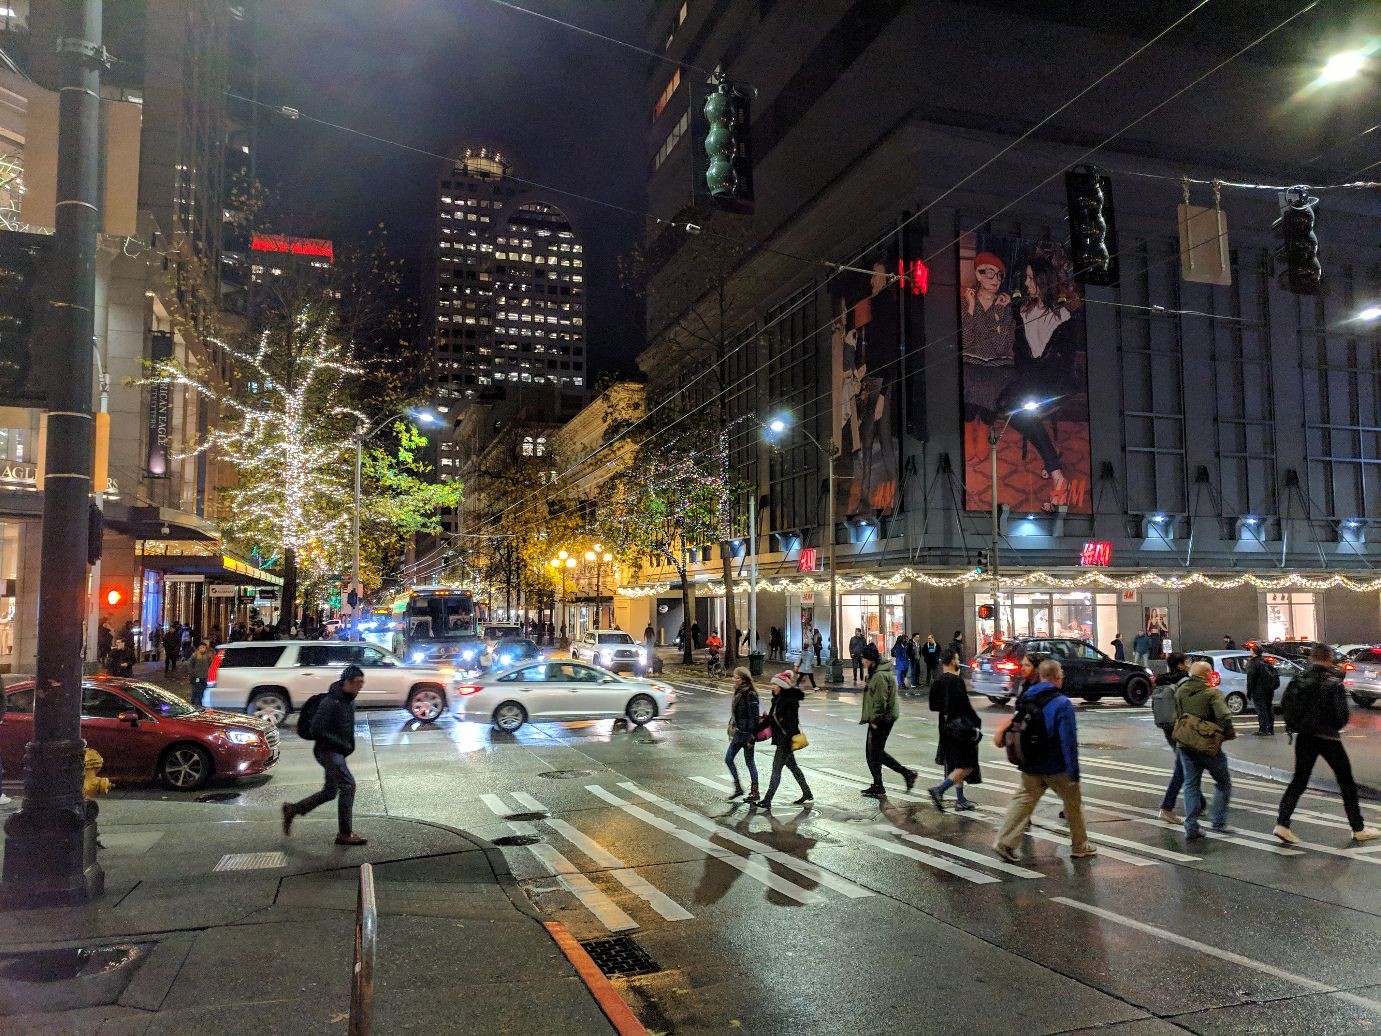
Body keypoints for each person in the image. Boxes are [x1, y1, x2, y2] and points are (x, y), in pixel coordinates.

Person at [992, 659, 1097, 862]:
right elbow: (1068, 740)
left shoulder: (1027, 696)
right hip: (1055, 764)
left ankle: (1004, 842)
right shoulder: (1062, 702)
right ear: (1057, 677)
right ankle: (1080, 845)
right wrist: (1074, 772)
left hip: (1030, 760)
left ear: (1041, 676)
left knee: (1023, 799)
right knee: (1073, 802)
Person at [1274, 645, 1380, 844]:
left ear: (1312, 658)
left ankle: (1282, 823)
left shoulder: (1299, 679)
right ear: (1328, 658)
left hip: (1304, 736)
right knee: (1346, 781)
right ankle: (1358, 827)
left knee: (1299, 780)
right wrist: (1333, 725)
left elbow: (1286, 706)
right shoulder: (1332, 682)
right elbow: (1341, 715)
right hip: (1328, 737)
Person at [283, 665, 368, 846]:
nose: (361, 686)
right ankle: (345, 834)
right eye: (358, 683)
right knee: (348, 785)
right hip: (327, 751)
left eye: (362, 683)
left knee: (330, 792)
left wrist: (347, 745)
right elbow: (317, 728)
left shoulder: (349, 700)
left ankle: (293, 809)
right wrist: (341, 744)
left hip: (337, 751)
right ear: (347, 682)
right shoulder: (331, 702)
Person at [1173, 660, 1234, 840]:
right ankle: (1219, 821)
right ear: (1206, 675)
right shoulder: (1211, 693)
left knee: (1191, 784)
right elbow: (1224, 715)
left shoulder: (1181, 691)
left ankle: (1191, 825)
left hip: (1185, 744)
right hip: (1207, 745)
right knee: (1223, 783)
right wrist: (1222, 734)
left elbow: (1178, 714)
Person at [858, 643, 918, 797]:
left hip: (881, 720)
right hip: (880, 719)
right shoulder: (876, 672)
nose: (863, 661)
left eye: (864, 659)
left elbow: (880, 701)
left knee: (874, 754)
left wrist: (875, 720)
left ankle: (905, 775)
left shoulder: (879, 675)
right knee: (874, 753)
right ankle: (882, 783)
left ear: (870, 660)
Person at [927, 650, 982, 810]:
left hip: (945, 728)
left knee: (956, 764)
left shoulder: (937, 681)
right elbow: (964, 705)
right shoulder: (956, 681)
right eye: (957, 659)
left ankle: (960, 799)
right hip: (960, 728)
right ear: (952, 662)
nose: (959, 661)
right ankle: (940, 789)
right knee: (967, 765)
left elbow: (933, 706)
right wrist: (976, 723)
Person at [755, 671, 812, 810]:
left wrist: (787, 739)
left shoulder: (789, 701)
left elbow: (792, 723)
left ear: (781, 685)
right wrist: (756, 730)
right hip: (782, 739)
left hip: (786, 741)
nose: (772, 686)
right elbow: (770, 719)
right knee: (793, 767)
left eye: (775, 684)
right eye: (772, 684)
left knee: (776, 770)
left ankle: (767, 800)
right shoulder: (777, 699)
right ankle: (807, 793)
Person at [1150, 653, 1189, 824]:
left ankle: (1199, 802)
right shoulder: (1183, 681)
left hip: (1167, 726)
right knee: (1183, 765)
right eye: (1186, 662)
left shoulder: (1161, 681)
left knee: (1185, 762)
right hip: (1180, 726)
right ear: (1180, 665)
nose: (1188, 665)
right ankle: (1167, 806)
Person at [725, 668, 761, 803]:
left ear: (743, 679)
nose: (734, 679)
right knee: (728, 759)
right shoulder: (739, 692)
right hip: (739, 733)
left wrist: (752, 736)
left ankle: (755, 792)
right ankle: (738, 788)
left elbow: (754, 717)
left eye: (736, 677)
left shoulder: (750, 694)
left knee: (750, 762)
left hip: (747, 735)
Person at [1245, 643, 1280, 736]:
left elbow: (1251, 679)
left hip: (1258, 691)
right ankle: (1270, 728)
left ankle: (1263, 729)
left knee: (1261, 710)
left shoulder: (1253, 663)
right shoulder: (1265, 661)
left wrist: (1249, 692)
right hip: (1269, 690)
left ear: (1253, 652)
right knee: (1269, 708)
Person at [187, 642, 213, 706]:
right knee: (195, 690)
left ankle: (200, 703)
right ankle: (193, 702)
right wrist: (193, 672)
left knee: (202, 690)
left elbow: (211, 664)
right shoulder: (195, 655)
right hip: (195, 677)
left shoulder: (208, 656)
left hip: (204, 677)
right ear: (198, 648)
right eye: (201, 647)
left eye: (203, 647)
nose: (202, 649)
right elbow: (189, 664)